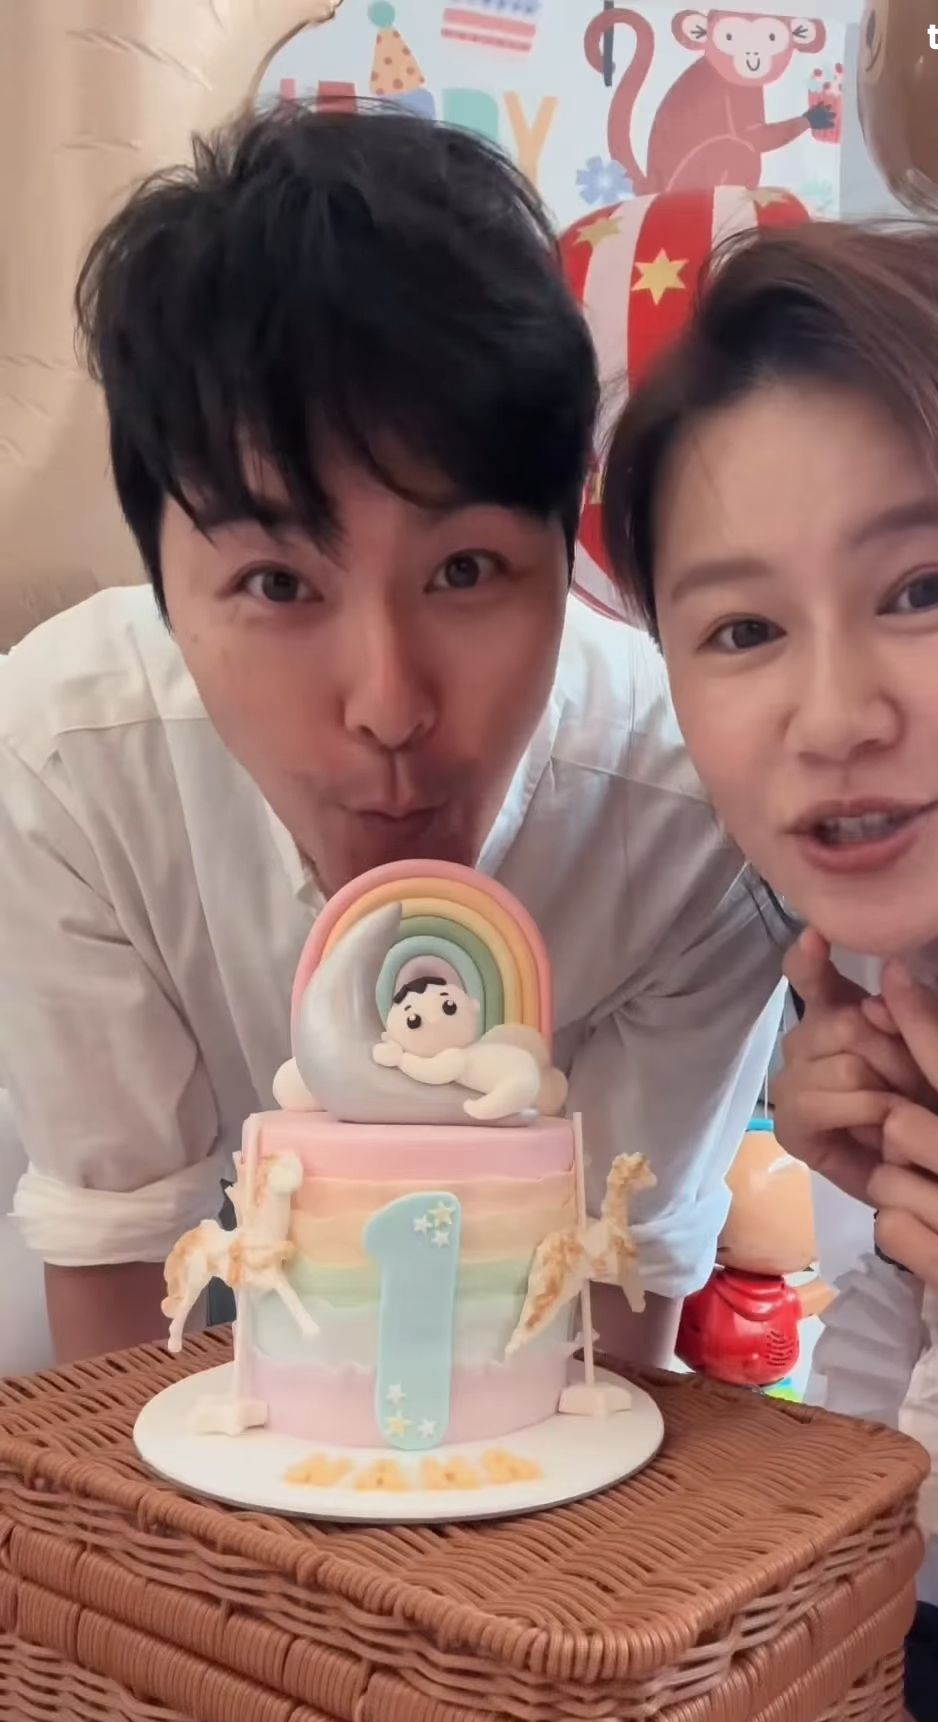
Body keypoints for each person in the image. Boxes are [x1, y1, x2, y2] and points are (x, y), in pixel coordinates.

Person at [0, 104, 785, 1369]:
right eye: (276, 584)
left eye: (465, 569)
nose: (387, 705)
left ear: (565, 559)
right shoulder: (66, 759)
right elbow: (122, 1273)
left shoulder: (684, 815)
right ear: (162, 590)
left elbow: (611, 1290)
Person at [602, 218, 938, 1722]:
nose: (830, 717)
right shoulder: (877, 954)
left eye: (921, 590)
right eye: (741, 630)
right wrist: (929, 1255)